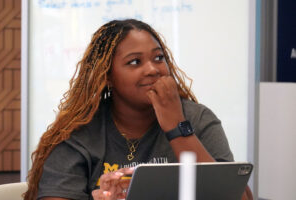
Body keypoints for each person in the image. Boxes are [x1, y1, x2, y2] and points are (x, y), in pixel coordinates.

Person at [24, 19, 252, 200]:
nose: (153, 69)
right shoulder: (80, 133)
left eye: (159, 58)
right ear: (108, 77)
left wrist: (177, 127)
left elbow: (238, 197)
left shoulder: (197, 119)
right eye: (135, 62)